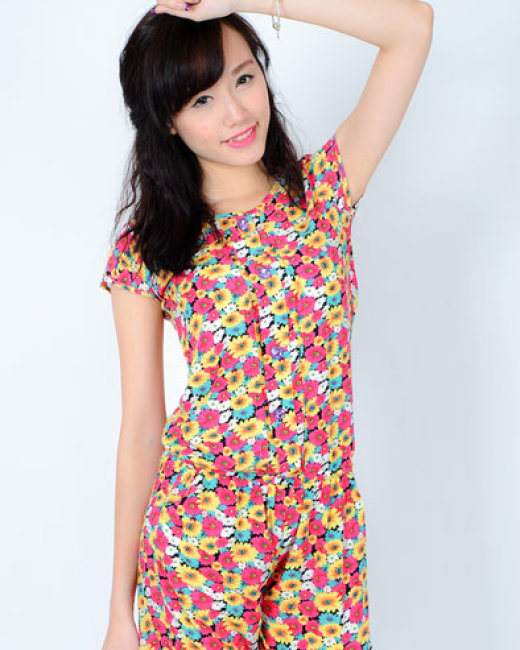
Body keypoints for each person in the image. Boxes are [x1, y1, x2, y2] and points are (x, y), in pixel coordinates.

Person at [99, 1, 433, 649]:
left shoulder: (325, 192)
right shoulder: (150, 246)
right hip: (201, 539)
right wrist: (120, 609)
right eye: (202, 100)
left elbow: (411, 28)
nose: (236, 112)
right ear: (166, 120)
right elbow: (142, 427)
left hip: (324, 539)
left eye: (244, 78)